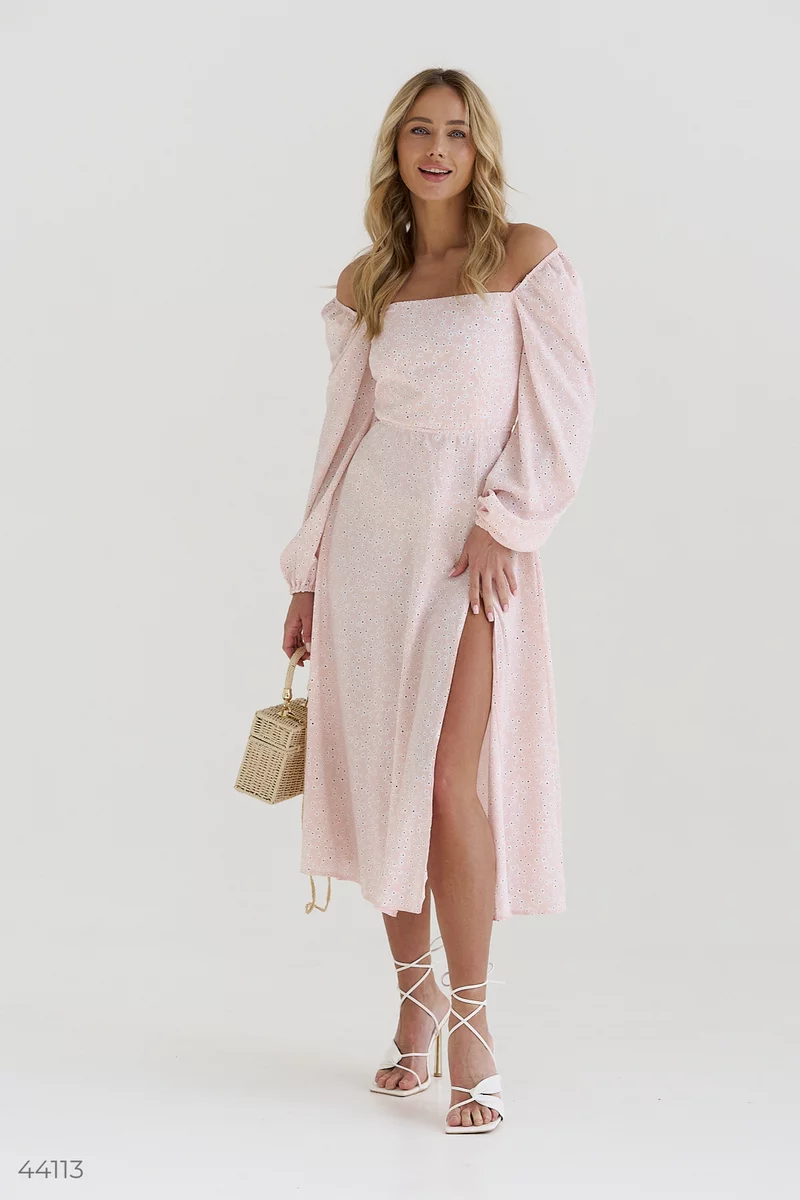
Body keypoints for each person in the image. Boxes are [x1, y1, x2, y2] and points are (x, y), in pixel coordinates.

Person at [278, 67, 596, 1134]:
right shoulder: (370, 278)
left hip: (470, 552)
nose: (437, 149)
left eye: (456, 132)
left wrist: (505, 519)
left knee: (451, 784)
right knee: (389, 783)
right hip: (372, 546)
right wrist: (309, 573)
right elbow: (342, 437)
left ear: (478, 149)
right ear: (396, 148)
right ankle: (414, 1007)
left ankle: (472, 1022)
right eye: (418, 131)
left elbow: (562, 414)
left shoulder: (523, 259)